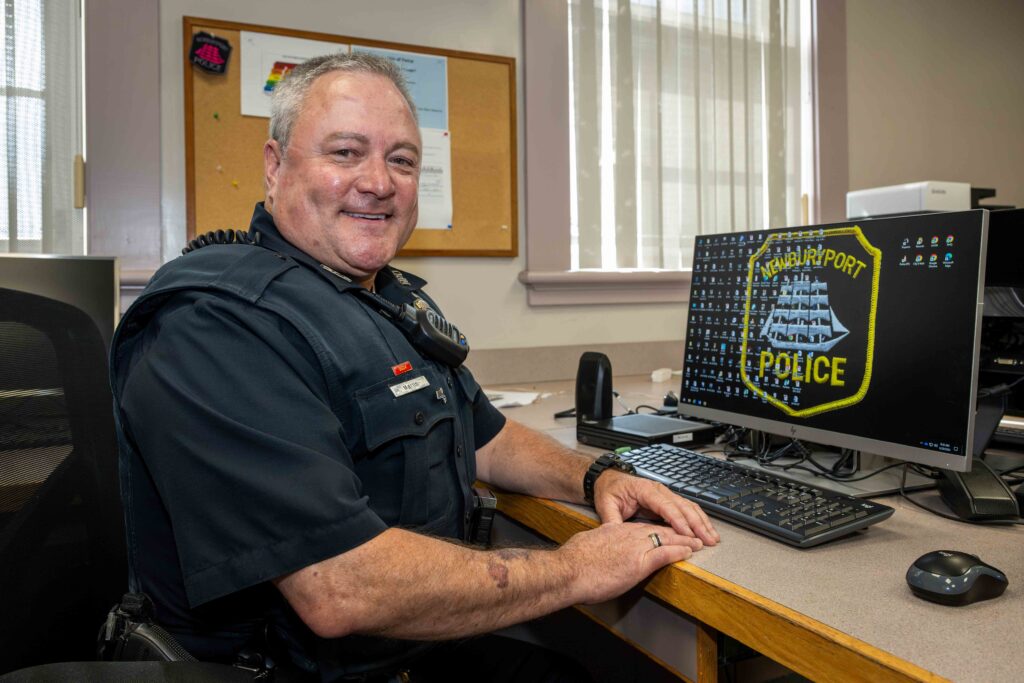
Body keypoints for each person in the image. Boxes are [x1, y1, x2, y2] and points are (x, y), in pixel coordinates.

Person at [109, 52, 718, 682]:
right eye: (345, 153)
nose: (379, 181)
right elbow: (340, 587)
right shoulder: (214, 326)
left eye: (401, 160)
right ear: (275, 166)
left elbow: (489, 437)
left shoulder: (383, 302)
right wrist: (574, 569)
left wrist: (597, 478)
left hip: (408, 653)